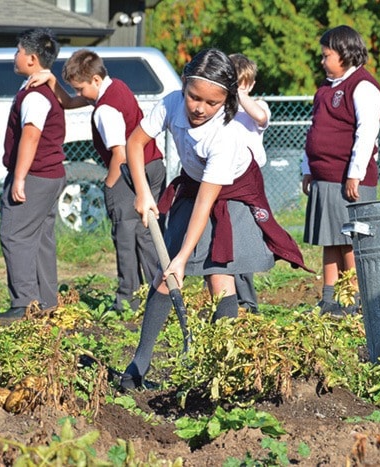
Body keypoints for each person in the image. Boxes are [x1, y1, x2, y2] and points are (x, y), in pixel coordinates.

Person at [117, 48, 310, 390]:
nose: (199, 108)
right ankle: (137, 368)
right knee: (165, 276)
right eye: (194, 97)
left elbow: (206, 206)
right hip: (195, 182)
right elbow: (135, 143)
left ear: (226, 100)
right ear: (184, 84)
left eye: (211, 103)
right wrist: (143, 192)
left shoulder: (226, 135)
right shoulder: (171, 103)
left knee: (218, 273)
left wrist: (182, 257)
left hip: (232, 191)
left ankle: (226, 367)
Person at [27, 49, 165, 312]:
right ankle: (161, 293)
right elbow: (69, 102)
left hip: (129, 171)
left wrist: (110, 185)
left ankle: (128, 300)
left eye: (80, 88)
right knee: (146, 234)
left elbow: (120, 154)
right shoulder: (118, 87)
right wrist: (53, 81)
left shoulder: (105, 109)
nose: (79, 94)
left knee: (125, 237)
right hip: (154, 164)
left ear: (96, 80)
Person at [301, 25, 380, 318]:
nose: (322, 61)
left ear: (345, 54)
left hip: (348, 181)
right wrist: (307, 168)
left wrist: (355, 174)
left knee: (350, 241)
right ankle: (329, 299)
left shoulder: (363, 86)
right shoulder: (324, 89)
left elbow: (366, 133)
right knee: (330, 240)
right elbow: (315, 131)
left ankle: (354, 300)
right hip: (324, 178)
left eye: (327, 56)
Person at [0, 28, 66, 322]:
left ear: (32, 58)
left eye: (18, 51)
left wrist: (20, 177)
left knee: (14, 234)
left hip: (36, 175)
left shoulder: (35, 95)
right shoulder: (45, 89)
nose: (15, 55)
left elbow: (31, 136)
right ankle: (46, 302)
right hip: (52, 174)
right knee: (39, 237)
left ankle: (24, 303)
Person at [228, 53, 272, 314]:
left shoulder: (258, 105)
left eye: (242, 85)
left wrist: (239, 95)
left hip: (249, 182)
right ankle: (229, 298)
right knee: (226, 239)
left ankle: (247, 302)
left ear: (250, 85)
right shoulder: (221, 108)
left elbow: (260, 117)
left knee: (244, 239)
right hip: (224, 180)